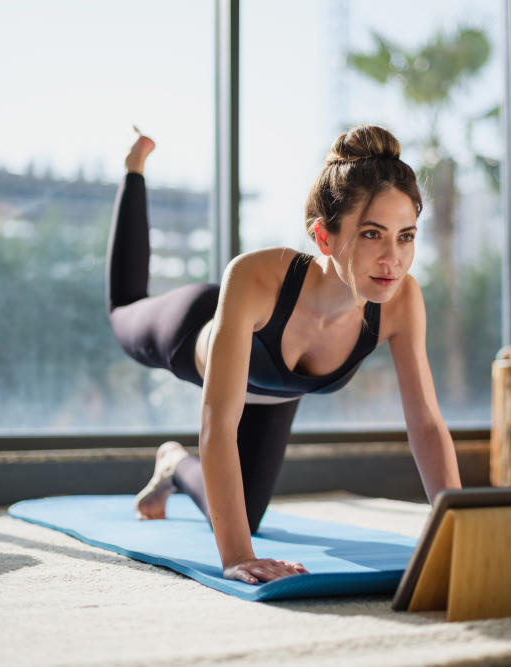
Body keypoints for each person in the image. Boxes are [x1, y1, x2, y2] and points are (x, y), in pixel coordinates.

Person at [106, 124, 462, 586]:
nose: (393, 258)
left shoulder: (400, 300)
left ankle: (173, 464)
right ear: (324, 237)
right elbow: (218, 422)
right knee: (123, 312)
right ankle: (134, 168)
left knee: (243, 517)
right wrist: (236, 557)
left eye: (407, 236)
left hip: (275, 392)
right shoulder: (255, 274)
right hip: (193, 331)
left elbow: (427, 425)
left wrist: (458, 530)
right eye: (373, 234)